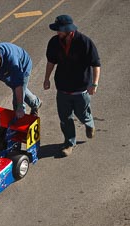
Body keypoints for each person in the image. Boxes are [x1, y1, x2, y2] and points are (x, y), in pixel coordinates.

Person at [43, 15, 101, 157]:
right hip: (62, 88)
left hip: (81, 89)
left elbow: (96, 64)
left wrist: (94, 84)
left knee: (82, 114)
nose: (57, 32)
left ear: (68, 30)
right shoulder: (54, 42)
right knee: (65, 118)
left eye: (59, 30)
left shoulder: (84, 42)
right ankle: (69, 143)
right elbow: (51, 61)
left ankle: (89, 123)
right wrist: (46, 79)